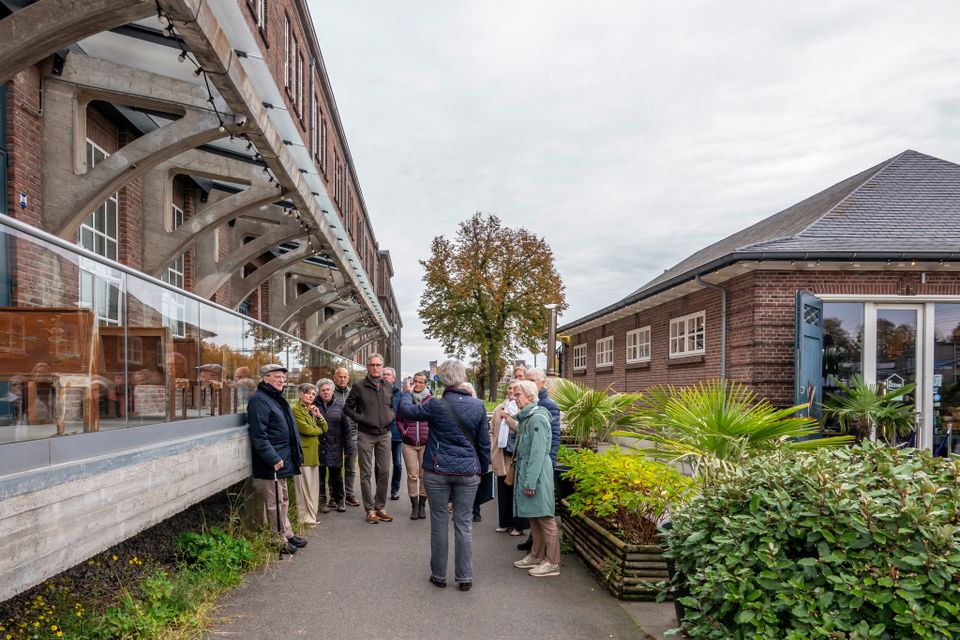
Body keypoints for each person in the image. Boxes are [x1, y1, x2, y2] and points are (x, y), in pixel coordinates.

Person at [400, 359, 490, 591]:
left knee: (439, 523)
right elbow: (483, 443)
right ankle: (465, 577)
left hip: (437, 470)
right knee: (464, 524)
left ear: (441, 379)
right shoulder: (478, 405)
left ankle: (439, 575)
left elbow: (407, 411)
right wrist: (482, 469)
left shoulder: (435, 405)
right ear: (463, 377)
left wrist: (407, 392)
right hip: (468, 472)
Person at [247, 363, 307, 555]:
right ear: (266, 378)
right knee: (274, 502)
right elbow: (259, 435)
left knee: (284, 499)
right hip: (272, 462)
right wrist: (273, 458)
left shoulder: (276, 398)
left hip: (283, 458)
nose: (282, 380)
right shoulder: (259, 400)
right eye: (277, 377)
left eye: (283, 377)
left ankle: (287, 533)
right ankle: (277, 539)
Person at [511, 380, 559, 577]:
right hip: (530, 471)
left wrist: (530, 482)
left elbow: (537, 454)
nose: (514, 398)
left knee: (545, 518)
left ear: (530, 396)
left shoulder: (537, 418)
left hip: (537, 473)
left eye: (518, 394)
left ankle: (552, 562)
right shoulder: (528, 417)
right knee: (535, 516)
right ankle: (536, 555)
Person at [343, 353, 395, 524]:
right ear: (367, 367)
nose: (375, 368)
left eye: (378, 365)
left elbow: (391, 406)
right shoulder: (359, 386)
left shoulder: (388, 385)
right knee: (366, 473)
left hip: (385, 434)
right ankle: (370, 510)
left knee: (384, 471)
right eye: (372, 365)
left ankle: (380, 507)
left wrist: (390, 417)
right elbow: (347, 408)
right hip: (366, 434)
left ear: (382, 366)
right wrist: (362, 419)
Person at [491, 379, 526, 536]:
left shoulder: (521, 409)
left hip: (515, 456)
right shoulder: (500, 408)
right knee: (503, 489)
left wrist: (508, 418)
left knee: (515, 491)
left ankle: (518, 526)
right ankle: (504, 523)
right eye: (509, 388)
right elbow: (492, 430)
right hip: (501, 454)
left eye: (514, 389)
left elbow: (520, 428)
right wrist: (492, 445)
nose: (511, 391)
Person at [397, 371, 431, 519]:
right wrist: (404, 432)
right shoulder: (406, 399)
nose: (417, 384)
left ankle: (422, 506)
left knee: (424, 476)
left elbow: (435, 420)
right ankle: (414, 506)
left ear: (426, 384)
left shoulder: (430, 400)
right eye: (415, 381)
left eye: (420, 382)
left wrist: (430, 434)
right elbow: (398, 419)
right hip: (409, 444)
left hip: (426, 444)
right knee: (412, 475)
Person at [292, 383, 327, 527]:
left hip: (313, 454)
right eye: (308, 393)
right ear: (301, 394)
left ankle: (311, 516)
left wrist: (318, 416)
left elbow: (325, 427)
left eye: (313, 394)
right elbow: (305, 429)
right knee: (304, 489)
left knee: (313, 488)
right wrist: (318, 430)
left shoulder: (310, 410)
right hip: (303, 454)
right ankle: (304, 518)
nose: (311, 396)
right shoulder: (296, 409)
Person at [315, 378, 351, 512]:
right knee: (320, 476)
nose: (325, 392)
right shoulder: (313, 405)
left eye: (328, 390)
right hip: (318, 447)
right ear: (319, 392)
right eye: (323, 390)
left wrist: (348, 448)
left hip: (335, 446)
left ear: (332, 391)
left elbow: (347, 429)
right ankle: (322, 501)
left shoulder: (340, 406)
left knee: (336, 475)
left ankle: (340, 500)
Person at [333, 367, 360, 507]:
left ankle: (349, 494)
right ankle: (334, 495)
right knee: (335, 467)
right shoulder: (330, 393)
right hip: (335, 436)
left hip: (352, 435)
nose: (342, 379)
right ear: (334, 378)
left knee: (350, 467)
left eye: (345, 377)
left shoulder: (354, 393)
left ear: (348, 378)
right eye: (340, 376)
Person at [383, 367, 403, 501]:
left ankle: (395, 489)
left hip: (396, 435)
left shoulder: (399, 394)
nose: (386, 376)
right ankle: (381, 491)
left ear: (394, 379)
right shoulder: (376, 392)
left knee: (398, 464)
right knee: (381, 466)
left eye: (388, 374)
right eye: (384, 374)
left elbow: (404, 413)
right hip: (381, 434)